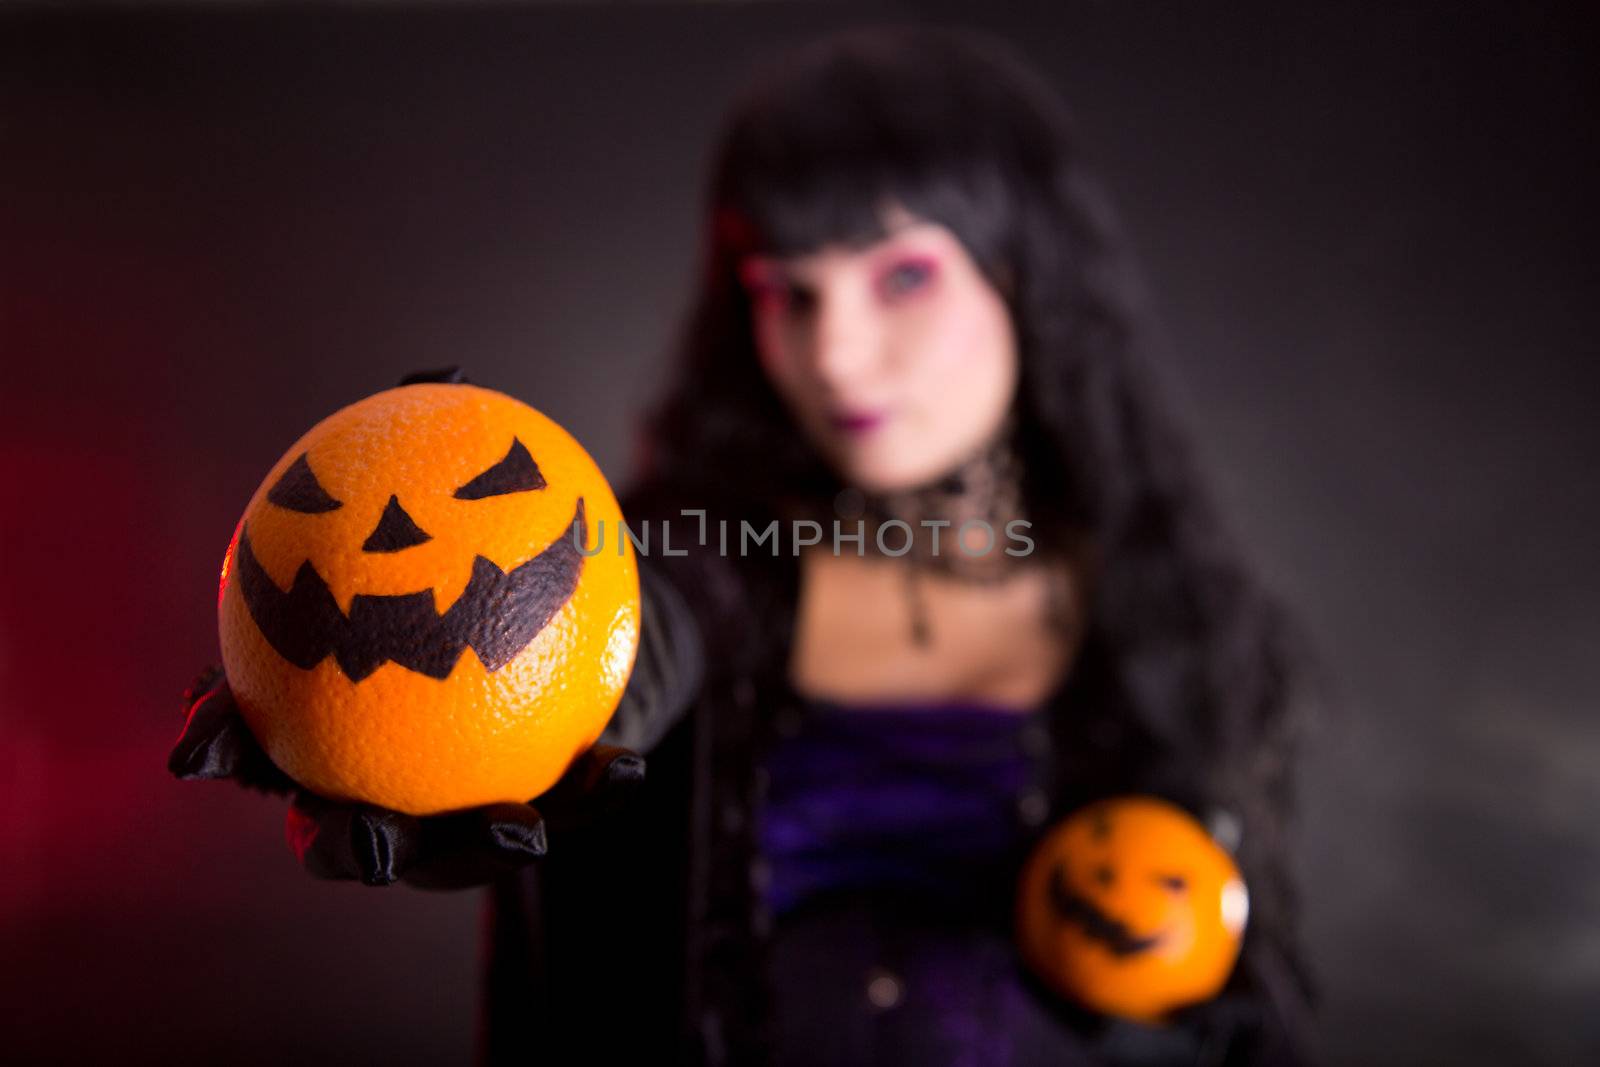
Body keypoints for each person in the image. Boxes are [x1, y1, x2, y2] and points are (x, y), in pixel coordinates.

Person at [172, 25, 1319, 1067]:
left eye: (903, 274)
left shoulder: (1168, 615)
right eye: (788, 292)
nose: (837, 354)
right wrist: (474, 742)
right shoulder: (702, 552)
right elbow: (637, 632)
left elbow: (1213, 953)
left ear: (1025, 274)